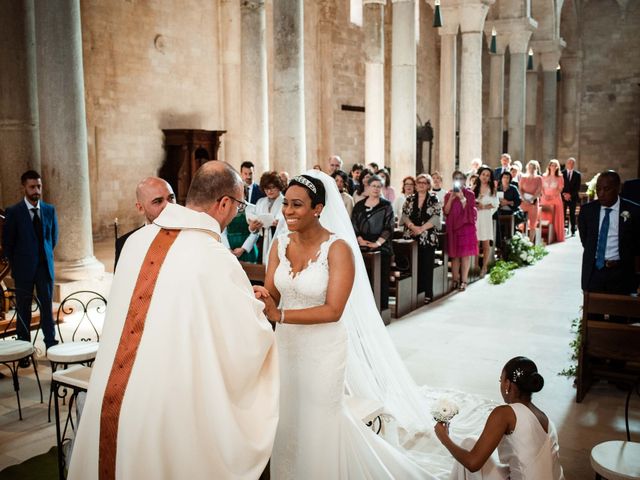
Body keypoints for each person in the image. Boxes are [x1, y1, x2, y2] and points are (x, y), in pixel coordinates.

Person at [67, 161, 279, 479]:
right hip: (167, 411)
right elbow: (247, 343)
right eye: (238, 205)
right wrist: (263, 315)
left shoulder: (135, 243)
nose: (237, 213)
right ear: (224, 203)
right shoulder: (215, 257)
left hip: (111, 401)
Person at [255, 174, 431, 479]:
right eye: (286, 204)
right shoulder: (279, 245)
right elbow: (272, 294)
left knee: (320, 419)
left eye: (297, 205)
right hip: (285, 345)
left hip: (323, 347)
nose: (288, 211)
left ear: (318, 208)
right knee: (288, 418)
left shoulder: (338, 249)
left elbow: (333, 310)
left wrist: (280, 316)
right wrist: (257, 296)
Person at [435, 357, 565, 480]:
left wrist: (444, 437)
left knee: (469, 445)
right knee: (473, 443)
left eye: (501, 380)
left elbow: (472, 463)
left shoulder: (505, 413)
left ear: (507, 384)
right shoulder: (545, 418)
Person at [1, 170, 58, 357]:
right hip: (24, 270)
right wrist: (17, 263)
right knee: (23, 311)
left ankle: (51, 346)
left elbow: (53, 238)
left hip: (44, 268)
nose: (36, 190)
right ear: (24, 187)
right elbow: (8, 243)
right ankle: (24, 350)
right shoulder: (14, 212)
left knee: (47, 310)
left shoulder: (49, 210)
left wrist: (45, 257)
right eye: (32, 187)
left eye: (39, 186)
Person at [578, 170, 640, 295]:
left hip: (621, 272)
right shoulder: (587, 211)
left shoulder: (633, 211)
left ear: (618, 189)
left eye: (606, 189)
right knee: (593, 312)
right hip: (594, 271)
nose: (601, 194)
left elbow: (637, 243)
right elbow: (586, 239)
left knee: (619, 312)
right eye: (598, 189)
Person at [352, 175, 395, 310]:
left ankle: (381, 308)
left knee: (381, 279)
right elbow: (353, 225)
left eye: (378, 186)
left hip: (382, 247)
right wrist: (360, 240)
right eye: (373, 186)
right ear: (368, 187)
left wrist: (377, 243)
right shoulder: (359, 206)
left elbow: (389, 227)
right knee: (363, 279)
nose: (376, 189)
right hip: (362, 246)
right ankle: (365, 309)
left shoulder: (386, 205)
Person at [114, 177, 176, 269]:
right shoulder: (124, 244)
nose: (168, 206)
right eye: (158, 201)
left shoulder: (190, 236)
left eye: (171, 198)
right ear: (140, 208)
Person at [402, 174, 442, 303]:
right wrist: (413, 227)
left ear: (428, 185)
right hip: (412, 236)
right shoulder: (410, 199)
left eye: (424, 183)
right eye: (419, 182)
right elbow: (404, 215)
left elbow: (436, 217)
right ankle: (414, 293)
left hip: (427, 237)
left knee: (426, 266)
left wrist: (422, 228)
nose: (421, 184)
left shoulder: (433, 199)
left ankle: (427, 294)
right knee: (413, 265)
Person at [444, 171, 478, 291]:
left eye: (460, 178)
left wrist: (462, 198)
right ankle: (454, 279)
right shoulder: (448, 194)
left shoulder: (470, 194)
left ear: (464, 180)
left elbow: (471, 212)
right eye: (455, 178)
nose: (458, 180)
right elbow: (446, 212)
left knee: (465, 255)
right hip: (453, 226)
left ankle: (464, 280)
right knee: (454, 255)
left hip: (465, 227)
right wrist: (452, 198)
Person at [242, 171, 285, 264]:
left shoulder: (285, 202)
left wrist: (280, 224)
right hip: (262, 241)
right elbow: (255, 229)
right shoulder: (260, 202)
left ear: (279, 187)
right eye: (266, 189)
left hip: (279, 241)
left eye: (272, 187)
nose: (269, 191)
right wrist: (252, 227)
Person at [473, 167, 498, 277]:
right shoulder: (474, 187)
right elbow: (468, 201)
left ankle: (484, 266)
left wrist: (484, 206)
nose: (485, 177)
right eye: (483, 174)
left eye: (488, 175)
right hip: (476, 217)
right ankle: (475, 265)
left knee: (486, 243)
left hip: (486, 216)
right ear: (479, 175)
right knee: (476, 242)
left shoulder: (492, 189)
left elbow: (495, 204)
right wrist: (475, 205)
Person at [540, 159, 565, 243]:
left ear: (557, 167)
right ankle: (544, 235)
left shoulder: (560, 177)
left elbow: (560, 188)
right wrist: (544, 195)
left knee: (556, 217)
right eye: (552, 165)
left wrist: (552, 196)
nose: (553, 167)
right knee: (545, 215)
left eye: (555, 165)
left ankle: (556, 236)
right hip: (545, 198)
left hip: (556, 199)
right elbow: (541, 188)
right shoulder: (544, 176)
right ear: (549, 166)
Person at [519, 161, 543, 242]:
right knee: (521, 223)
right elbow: (520, 190)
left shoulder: (539, 178)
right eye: (530, 167)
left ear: (536, 169)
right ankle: (522, 242)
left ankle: (530, 243)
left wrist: (532, 199)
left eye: (533, 168)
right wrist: (524, 199)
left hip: (533, 203)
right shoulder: (523, 177)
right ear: (527, 168)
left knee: (533, 224)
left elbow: (539, 191)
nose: (532, 169)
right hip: (524, 202)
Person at [561, 157, 581, 236]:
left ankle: (573, 231)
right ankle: (562, 230)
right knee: (562, 213)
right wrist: (564, 194)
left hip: (573, 197)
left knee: (572, 214)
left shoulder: (577, 174)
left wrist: (570, 195)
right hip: (563, 197)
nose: (571, 164)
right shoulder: (562, 173)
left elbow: (577, 187)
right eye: (569, 163)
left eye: (572, 163)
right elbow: (560, 185)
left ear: (574, 164)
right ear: (567, 164)